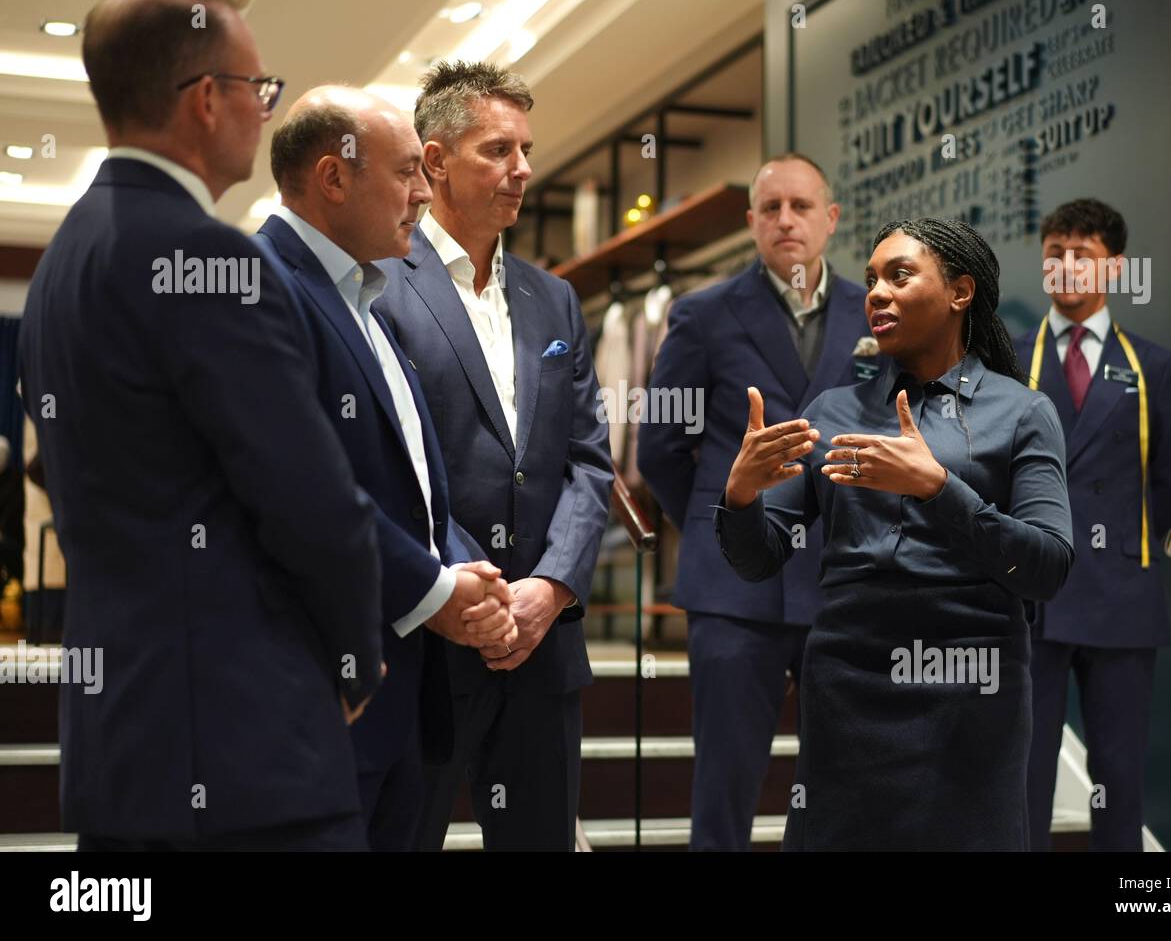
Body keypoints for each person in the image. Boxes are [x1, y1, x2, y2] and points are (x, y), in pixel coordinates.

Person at [18, 0, 384, 850]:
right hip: (245, 752)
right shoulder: (205, 256)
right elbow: (311, 499)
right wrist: (354, 655)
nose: (266, 109)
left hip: (123, 746)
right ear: (207, 100)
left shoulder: (63, 261)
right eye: (259, 89)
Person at [716, 218, 1074, 850]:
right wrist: (740, 494)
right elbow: (759, 558)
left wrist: (938, 489)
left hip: (972, 683)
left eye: (899, 275)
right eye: (873, 278)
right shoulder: (832, 411)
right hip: (848, 687)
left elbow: (1047, 568)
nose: (876, 292)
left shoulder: (1023, 412)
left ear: (961, 292)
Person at [252, 86, 519, 850]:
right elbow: (302, 491)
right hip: (323, 689)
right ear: (334, 178)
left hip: (399, 698)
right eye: (408, 172)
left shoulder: (366, 300)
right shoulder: (265, 287)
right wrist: (437, 590)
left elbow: (409, 491)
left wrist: (469, 574)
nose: (425, 194)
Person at [374, 61, 613, 851]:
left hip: (546, 648)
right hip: (433, 640)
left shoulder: (556, 299)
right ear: (434, 159)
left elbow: (589, 460)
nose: (523, 169)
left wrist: (550, 587)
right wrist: (477, 598)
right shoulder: (379, 286)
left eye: (526, 149)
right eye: (498, 150)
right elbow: (388, 465)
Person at [637, 153, 869, 850]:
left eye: (801, 206)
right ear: (751, 223)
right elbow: (660, 450)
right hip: (736, 592)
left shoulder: (876, 312)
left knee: (847, 782)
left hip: (844, 585)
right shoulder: (703, 314)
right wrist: (726, 532)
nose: (786, 220)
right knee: (726, 785)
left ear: (830, 218)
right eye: (771, 208)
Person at [1018, 198, 1171, 851]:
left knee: (1119, 774)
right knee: (1025, 771)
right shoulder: (1007, 361)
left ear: (1115, 267)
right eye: (1055, 255)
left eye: (1082, 255)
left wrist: (1122, 539)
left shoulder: (1156, 367)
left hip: (1122, 596)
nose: (1066, 268)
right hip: (1031, 595)